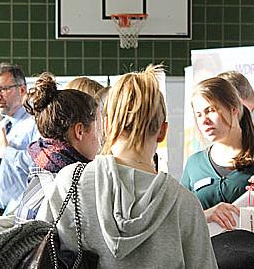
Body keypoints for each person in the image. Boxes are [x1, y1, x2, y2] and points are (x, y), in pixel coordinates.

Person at [37, 65, 217, 268]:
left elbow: (38, 248)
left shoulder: (70, 182)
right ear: (162, 131)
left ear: (105, 126)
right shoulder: (185, 204)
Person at [16, 72, 100, 223]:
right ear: (79, 131)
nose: (101, 137)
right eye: (98, 128)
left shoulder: (43, 169)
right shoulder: (68, 189)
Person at [181, 76, 254, 230]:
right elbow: (180, 218)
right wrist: (206, 214)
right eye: (199, 114)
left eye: (211, 110)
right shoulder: (194, 164)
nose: (204, 121)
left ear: (234, 109)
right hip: (206, 253)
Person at [0, 62, 40, 214]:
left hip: (20, 212)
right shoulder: (0, 127)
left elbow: (40, 165)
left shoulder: (35, 124)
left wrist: (7, 153)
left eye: (3, 89)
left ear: (22, 89)